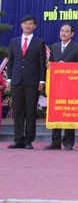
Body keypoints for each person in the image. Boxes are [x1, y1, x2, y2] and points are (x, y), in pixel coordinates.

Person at [44, 23, 78, 151]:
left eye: (67, 31)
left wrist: (67, 65)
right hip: (56, 86)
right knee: (56, 111)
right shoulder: (54, 47)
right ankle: (55, 141)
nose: (63, 33)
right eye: (62, 31)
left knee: (69, 113)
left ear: (72, 34)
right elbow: (51, 62)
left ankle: (68, 142)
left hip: (71, 86)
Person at [6, 15, 47, 149]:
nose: (28, 26)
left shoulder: (39, 42)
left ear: (34, 26)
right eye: (25, 23)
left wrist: (42, 80)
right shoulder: (14, 41)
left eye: (30, 24)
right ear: (21, 25)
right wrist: (9, 79)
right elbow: (11, 61)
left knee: (30, 111)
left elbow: (42, 63)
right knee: (18, 111)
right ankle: (18, 139)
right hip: (16, 81)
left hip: (32, 81)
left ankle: (29, 139)